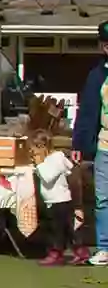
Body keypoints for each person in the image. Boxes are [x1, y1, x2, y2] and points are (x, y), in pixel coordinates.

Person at [72, 21, 108, 266]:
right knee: (103, 199)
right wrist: (79, 145)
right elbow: (87, 113)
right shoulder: (97, 75)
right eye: (105, 43)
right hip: (105, 146)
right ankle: (105, 247)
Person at [29, 129, 81, 265]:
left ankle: (57, 253)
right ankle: (78, 251)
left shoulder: (56, 158)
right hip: (51, 201)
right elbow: (68, 167)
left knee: (58, 230)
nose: (33, 154)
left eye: (34, 150)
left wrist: (39, 164)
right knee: (62, 229)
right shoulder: (52, 160)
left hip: (60, 200)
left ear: (42, 147)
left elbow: (47, 178)